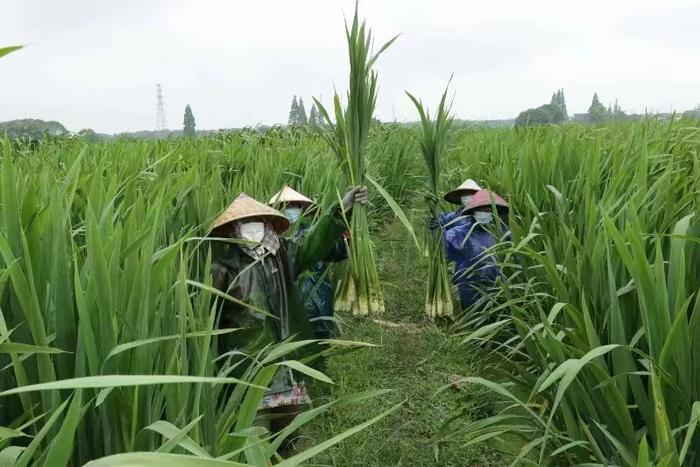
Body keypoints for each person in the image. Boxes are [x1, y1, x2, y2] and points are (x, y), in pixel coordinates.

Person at [210, 188, 366, 434]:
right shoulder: (222, 269)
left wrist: (340, 208)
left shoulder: (283, 256)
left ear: (267, 224)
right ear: (233, 229)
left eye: (257, 222)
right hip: (249, 368)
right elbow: (210, 322)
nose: (252, 229)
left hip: (285, 361)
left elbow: (313, 243)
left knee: (288, 431)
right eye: (244, 224)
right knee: (256, 434)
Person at [268, 185, 349, 340]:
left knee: (318, 348)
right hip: (288, 306)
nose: (290, 210)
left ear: (302, 210)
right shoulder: (272, 240)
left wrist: (344, 239)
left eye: (295, 207)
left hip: (318, 300)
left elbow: (337, 253)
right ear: (277, 210)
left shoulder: (313, 234)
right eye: (285, 206)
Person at [443, 189, 510, 311]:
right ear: (473, 211)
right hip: (469, 289)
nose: (484, 212)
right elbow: (444, 248)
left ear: (494, 211)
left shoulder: (503, 233)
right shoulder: (461, 232)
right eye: (480, 209)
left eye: (487, 209)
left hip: (498, 289)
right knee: (472, 316)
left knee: (496, 314)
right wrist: (436, 231)